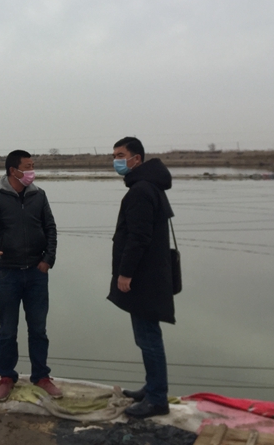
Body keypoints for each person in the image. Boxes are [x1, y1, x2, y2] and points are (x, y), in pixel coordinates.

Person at [0, 149, 62, 402]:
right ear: (13, 170)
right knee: (7, 330)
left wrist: (48, 259)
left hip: (36, 273)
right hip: (7, 274)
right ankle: (6, 377)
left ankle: (41, 376)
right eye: (28, 166)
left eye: (33, 166)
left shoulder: (39, 195)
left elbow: (51, 228)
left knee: (38, 329)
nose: (32, 171)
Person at [108, 136, 175, 419]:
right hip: (152, 273)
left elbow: (138, 237)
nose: (116, 161)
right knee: (147, 336)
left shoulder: (140, 191)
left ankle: (157, 399)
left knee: (148, 338)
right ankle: (152, 387)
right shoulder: (150, 186)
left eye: (120, 155)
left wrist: (125, 273)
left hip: (143, 277)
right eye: (114, 156)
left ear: (136, 159)